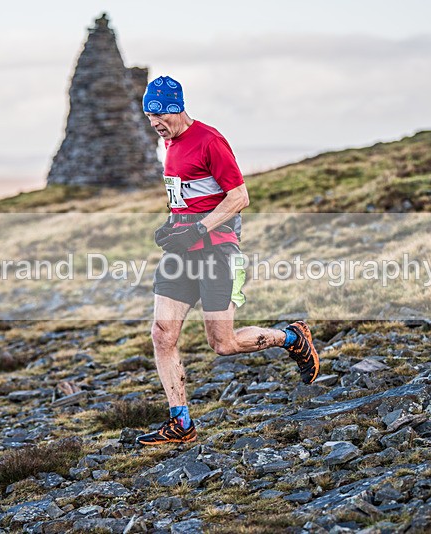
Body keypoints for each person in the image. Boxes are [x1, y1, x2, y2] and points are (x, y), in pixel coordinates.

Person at [136, 76, 320, 446]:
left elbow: (239, 197)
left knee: (223, 344)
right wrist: (171, 226)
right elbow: (190, 197)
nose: (155, 121)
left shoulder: (209, 140)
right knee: (162, 334)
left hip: (218, 251)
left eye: (162, 113)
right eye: (149, 113)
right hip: (182, 252)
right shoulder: (169, 144)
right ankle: (181, 422)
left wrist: (199, 230)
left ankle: (291, 337)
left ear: (179, 107)